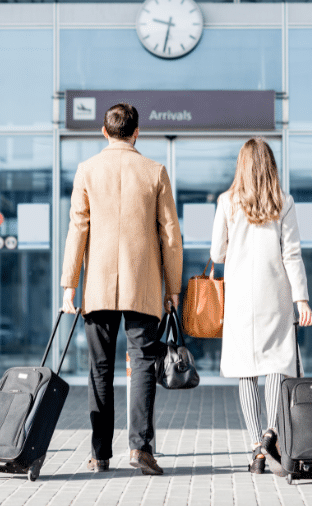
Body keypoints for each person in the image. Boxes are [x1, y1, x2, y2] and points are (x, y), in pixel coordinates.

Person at [61, 103, 183, 475]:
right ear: (137, 132)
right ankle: (140, 448)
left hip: (97, 286)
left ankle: (100, 454)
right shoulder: (154, 171)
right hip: (142, 284)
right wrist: (173, 287)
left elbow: (77, 229)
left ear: (104, 131)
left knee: (100, 369)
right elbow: (170, 236)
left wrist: (69, 284)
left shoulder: (87, 170)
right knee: (143, 363)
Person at [210, 137, 312, 475]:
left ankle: (257, 449)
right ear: (270, 166)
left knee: (246, 369)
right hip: (276, 293)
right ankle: (272, 434)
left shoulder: (227, 202)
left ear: (241, 166)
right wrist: (302, 300)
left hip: (240, 297)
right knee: (275, 365)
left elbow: (216, 254)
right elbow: (292, 255)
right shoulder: (283, 202)